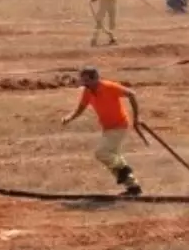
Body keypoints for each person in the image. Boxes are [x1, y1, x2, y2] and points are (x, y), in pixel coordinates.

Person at [61, 66, 143, 196]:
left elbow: (131, 94)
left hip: (120, 125)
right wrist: (70, 117)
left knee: (102, 153)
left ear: (95, 78)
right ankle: (133, 187)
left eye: (86, 80)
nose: (84, 84)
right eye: (83, 80)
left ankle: (125, 170)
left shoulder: (109, 87)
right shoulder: (87, 91)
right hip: (107, 127)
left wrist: (136, 119)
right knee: (112, 158)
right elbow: (81, 108)